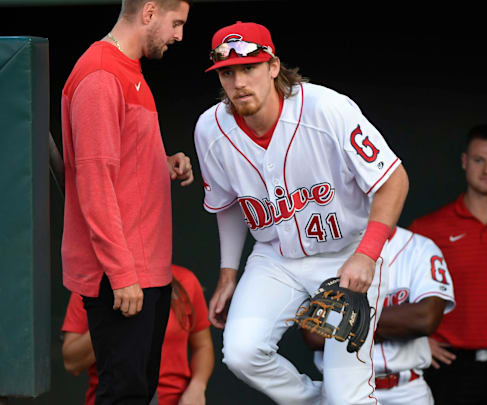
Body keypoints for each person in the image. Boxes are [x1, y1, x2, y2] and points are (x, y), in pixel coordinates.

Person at [193, 21, 409, 405]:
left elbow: (393, 180)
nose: (239, 81)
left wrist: (367, 254)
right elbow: (227, 205)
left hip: (348, 253)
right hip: (276, 257)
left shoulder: (327, 109)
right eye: (228, 72)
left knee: (350, 396)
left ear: (273, 66)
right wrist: (228, 273)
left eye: (249, 68)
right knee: (242, 354)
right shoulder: (211, 129)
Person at [60, 0, 193, 403]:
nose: (179, 36)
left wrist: (161, 162)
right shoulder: (101, 75)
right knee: (122, 396)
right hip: (122, 276)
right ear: (149, 12)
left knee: (137, 393)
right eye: (176, 23)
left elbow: (118, 163)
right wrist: (121, 274)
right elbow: (94, 184)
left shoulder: (128, 70)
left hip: (146, 270)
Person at [409, 124, 487, 404]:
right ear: (464, 162)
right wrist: (417, 341)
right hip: (449, 367)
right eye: (478, 160)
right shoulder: (427, 228)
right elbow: (396, 290)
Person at [303, 226, 456, 405]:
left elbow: (425, 320)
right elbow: (314, 334)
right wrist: (399, 325)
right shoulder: (323, 250)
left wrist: (346, 324)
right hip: (344, 389)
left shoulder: (419, 247)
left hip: (407, 391)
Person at [61, 264, 214, 405]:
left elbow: (203, 346)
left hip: (175, 399)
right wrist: (111, 317)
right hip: (114, 397)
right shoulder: (91, 283)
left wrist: (197, 387)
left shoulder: (185, 279)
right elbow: (72, 363)